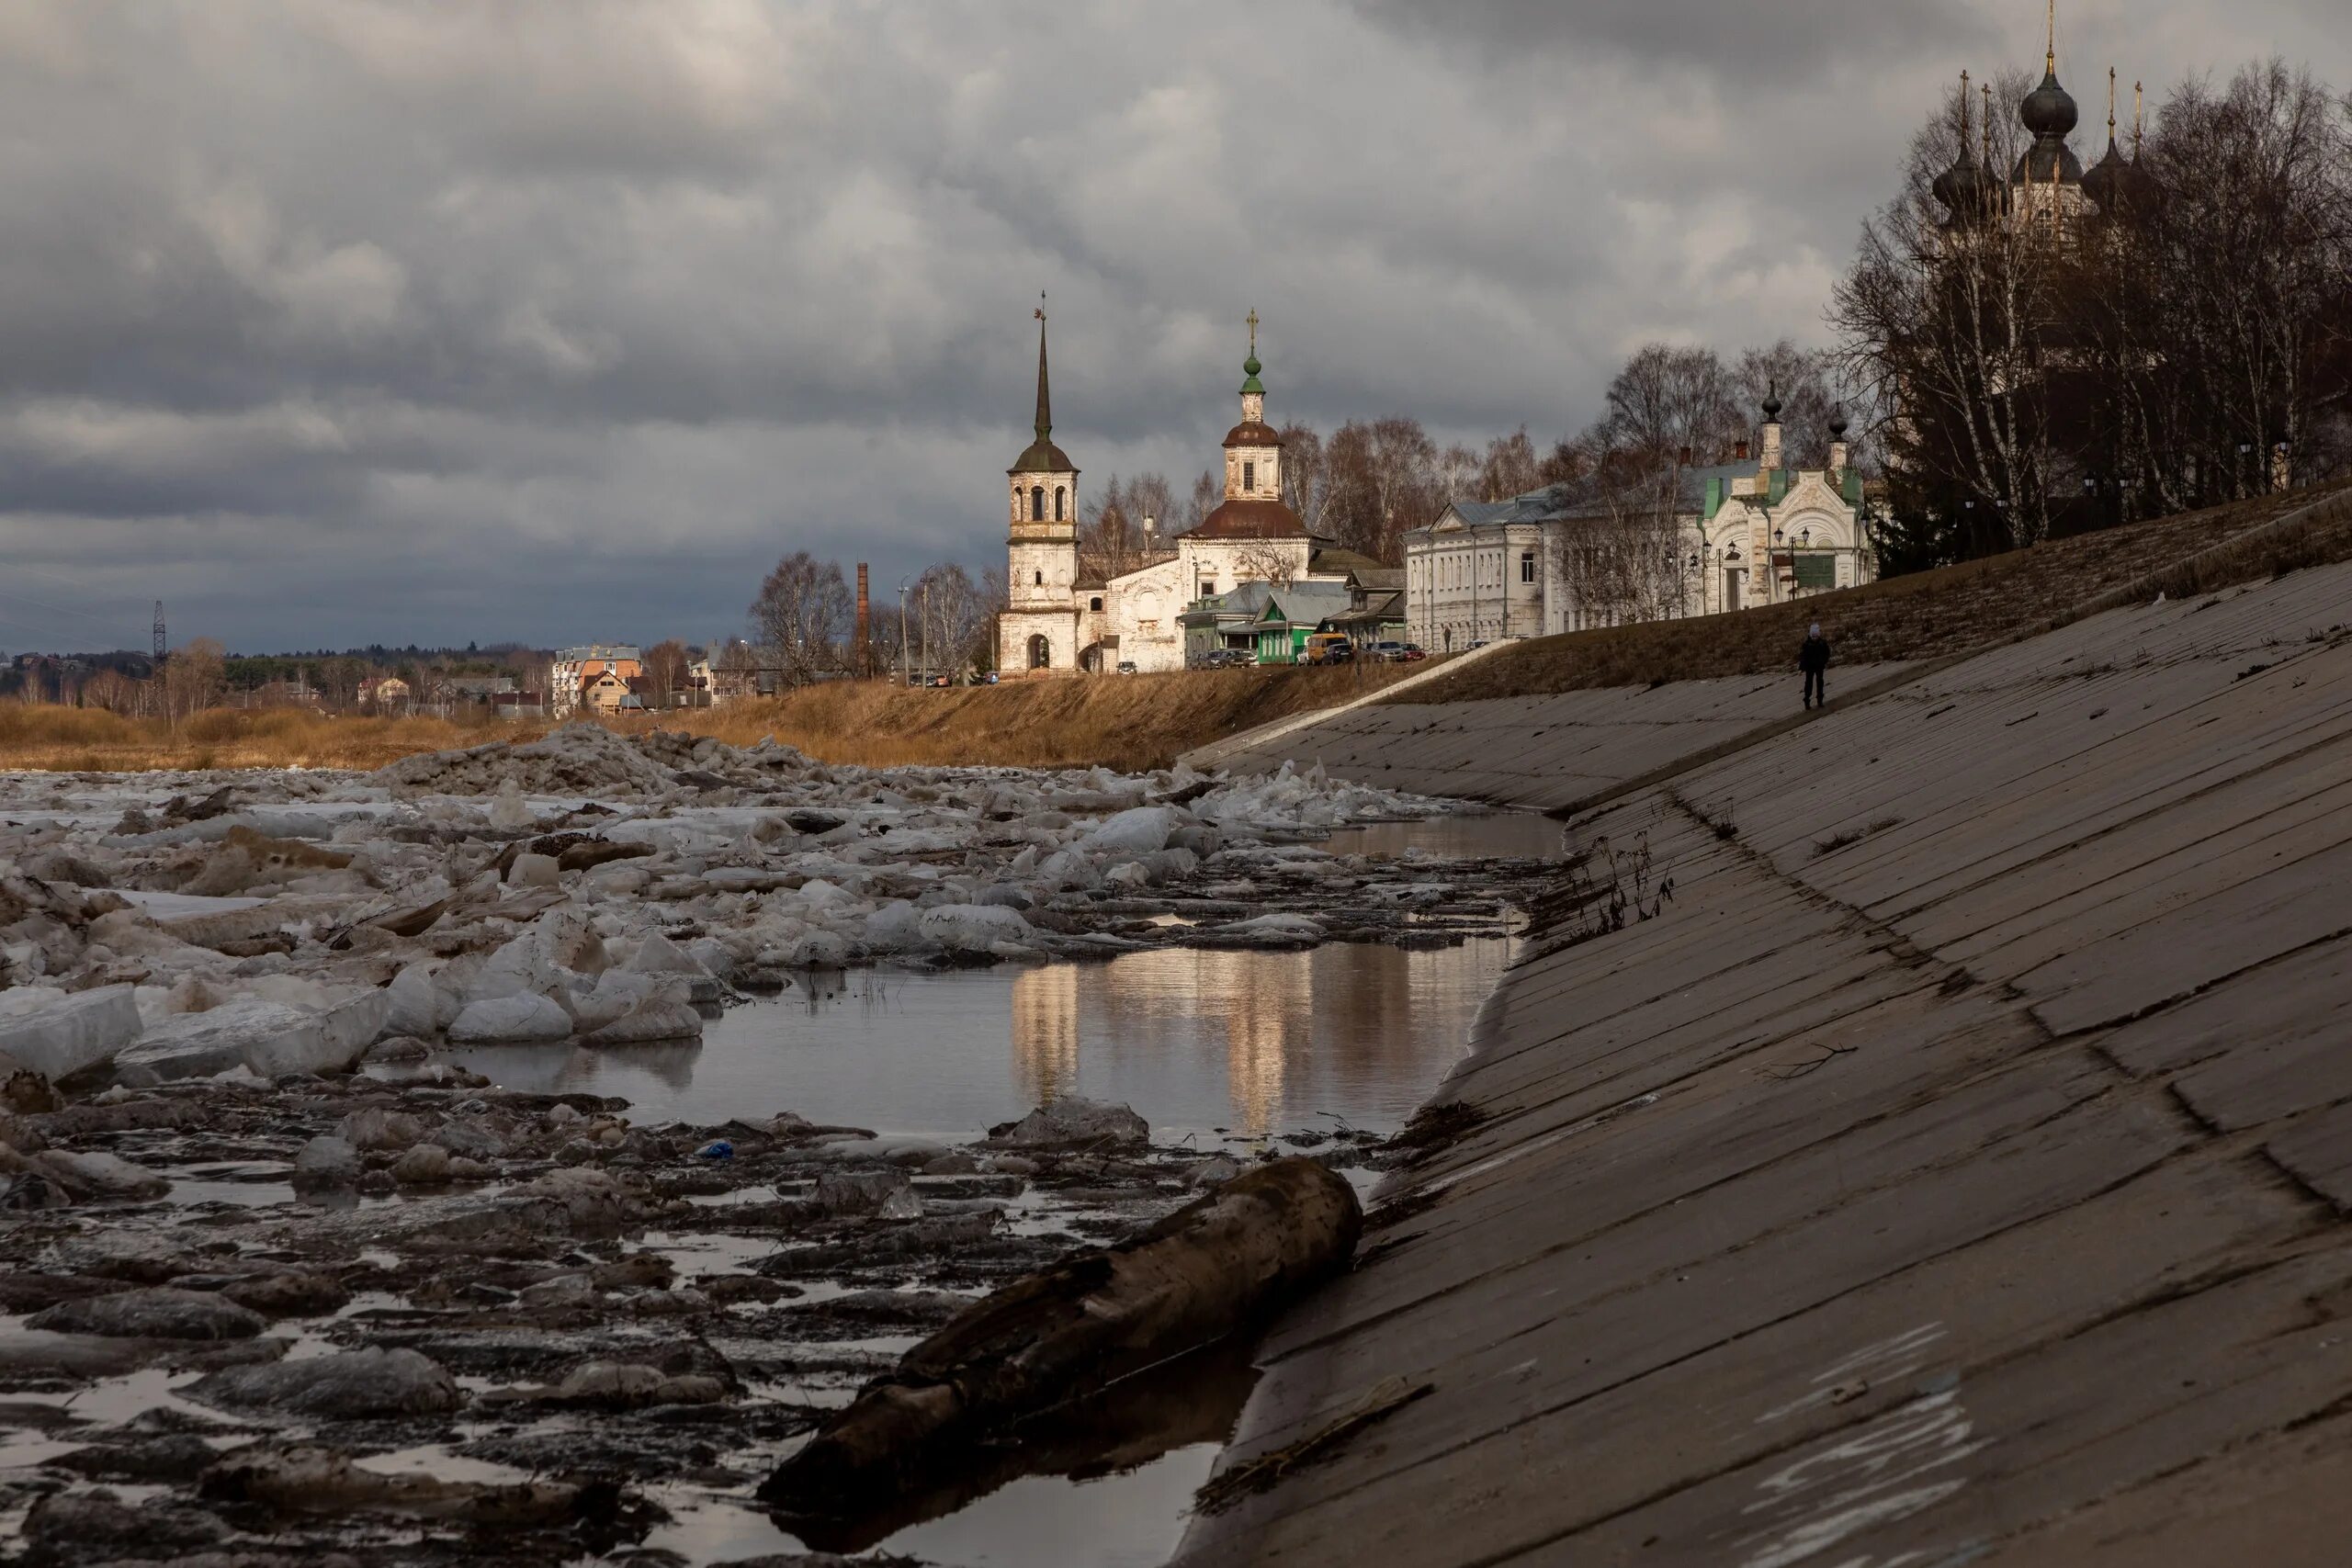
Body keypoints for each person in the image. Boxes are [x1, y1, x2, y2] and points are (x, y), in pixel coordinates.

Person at [1799, 623, 1830, 709]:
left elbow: (1827, 653)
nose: (1814, 638)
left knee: (1820, 682)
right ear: (1810, 635)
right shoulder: (1806, 645)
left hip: (1819, 666)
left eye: (1816, 636)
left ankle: (1820, 700)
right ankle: (1807, 701)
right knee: (1809, 683)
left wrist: (1824, 661)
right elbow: (1803, 657)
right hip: (1809, 667)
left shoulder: (1822, 643)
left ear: (1818, 635)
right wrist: (1802, 668)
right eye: (1813, 636)